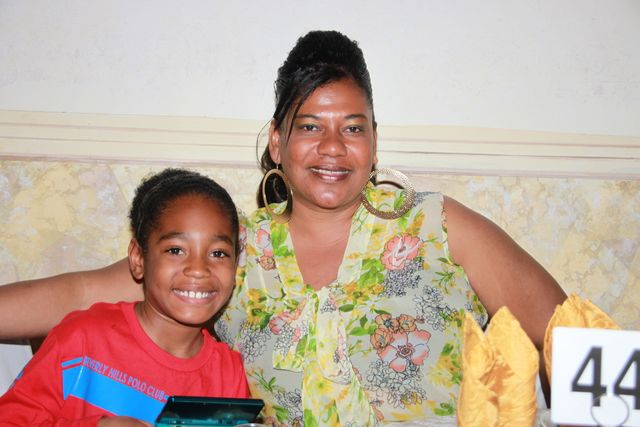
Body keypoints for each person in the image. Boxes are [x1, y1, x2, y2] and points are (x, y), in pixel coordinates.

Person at [0, 31, 566, 425]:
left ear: (374, 141)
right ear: (277, 141)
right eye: (310, 127)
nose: (333, 147)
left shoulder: (438, 225)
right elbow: (82, 292)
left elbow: (568, 333)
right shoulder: (230, 250)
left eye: (353, 128)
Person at [0, 168, 250, 426]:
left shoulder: (228, 374)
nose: (199, 269)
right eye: (176, 250)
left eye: (218, 253)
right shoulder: (81, 340)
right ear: (138, 259)